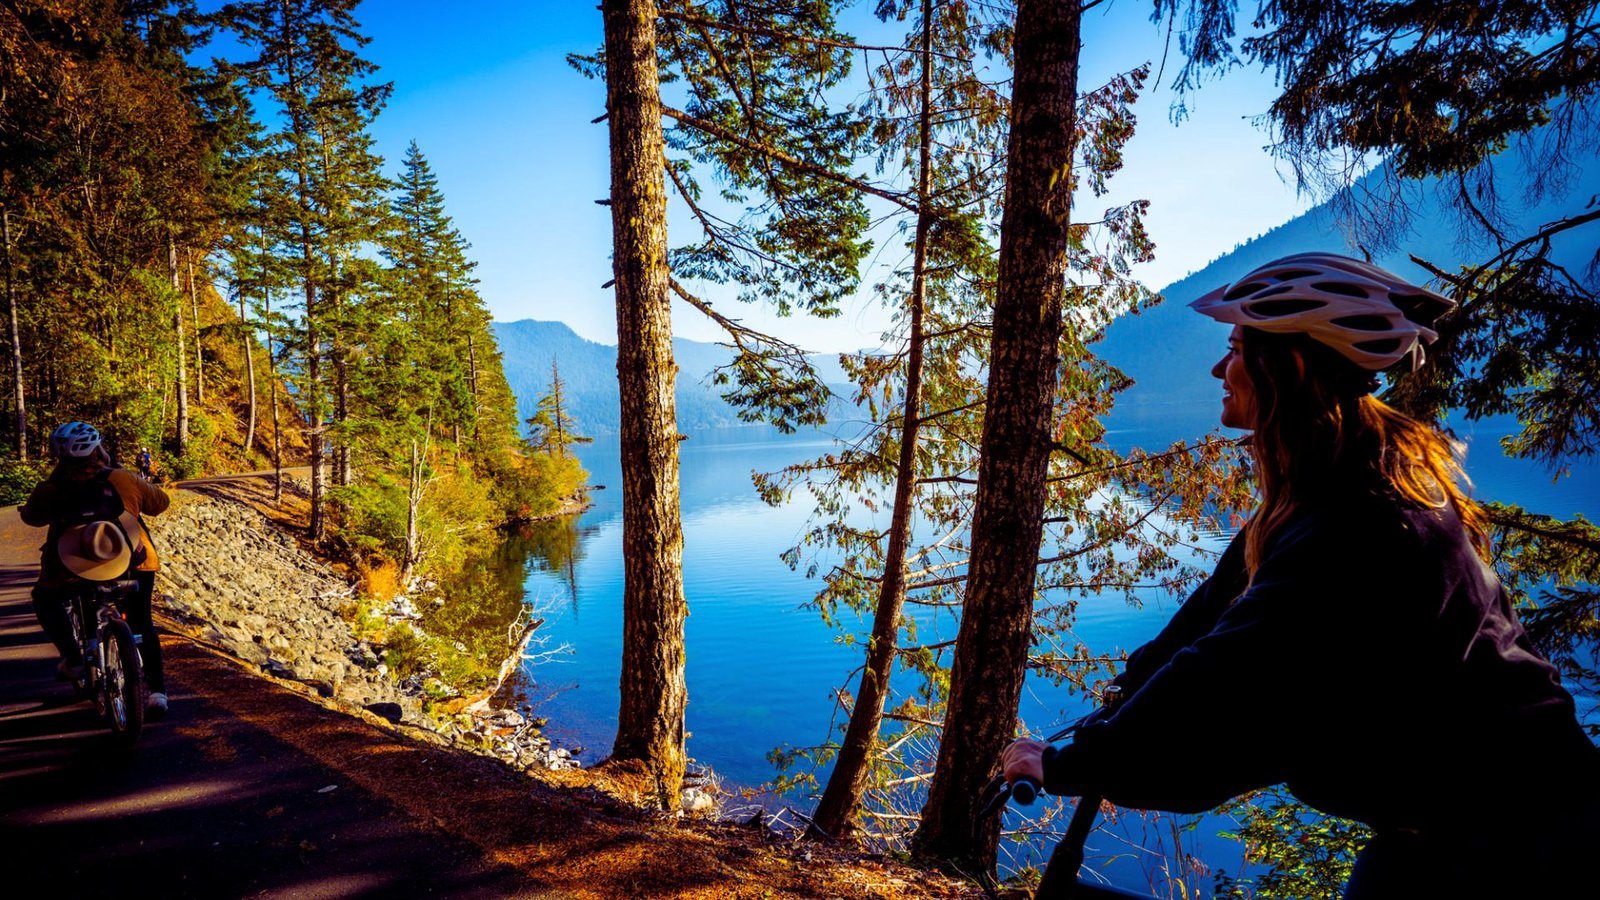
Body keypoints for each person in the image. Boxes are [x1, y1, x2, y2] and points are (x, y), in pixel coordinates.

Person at [1002, 253, 1600, 898]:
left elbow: (1236, 668)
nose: (1216, 369)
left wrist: (1072, 763)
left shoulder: (1364, 528)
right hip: (1448, 834)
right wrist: (1128, 693)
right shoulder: (1328, 491)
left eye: (1234, 349)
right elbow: (1213, 613)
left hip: (1527, 851)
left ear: (1283, 367)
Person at [19, 422, 172, 717]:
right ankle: (157, 693)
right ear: (98, 449)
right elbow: (160, 503)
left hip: (72, 567)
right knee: (142, 621)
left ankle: (74, 657)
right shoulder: (122, 479)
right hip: (131, 562)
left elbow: (31, 518)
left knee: (45, 598)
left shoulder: (51, 489)